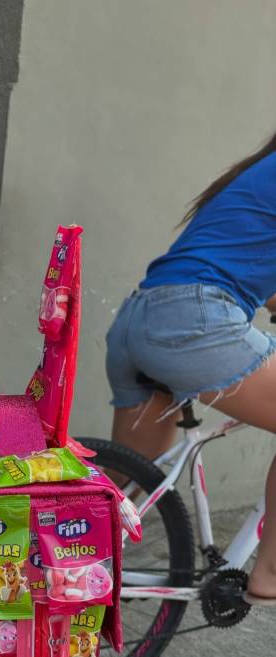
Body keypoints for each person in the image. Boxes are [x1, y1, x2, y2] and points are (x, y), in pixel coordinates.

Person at [105, 131, 276, 606]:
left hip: (140, 321)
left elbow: (254, 276)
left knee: (117, 494)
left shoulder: (257, 173)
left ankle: (46, 567)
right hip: (194, 323)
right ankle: (271, 572)